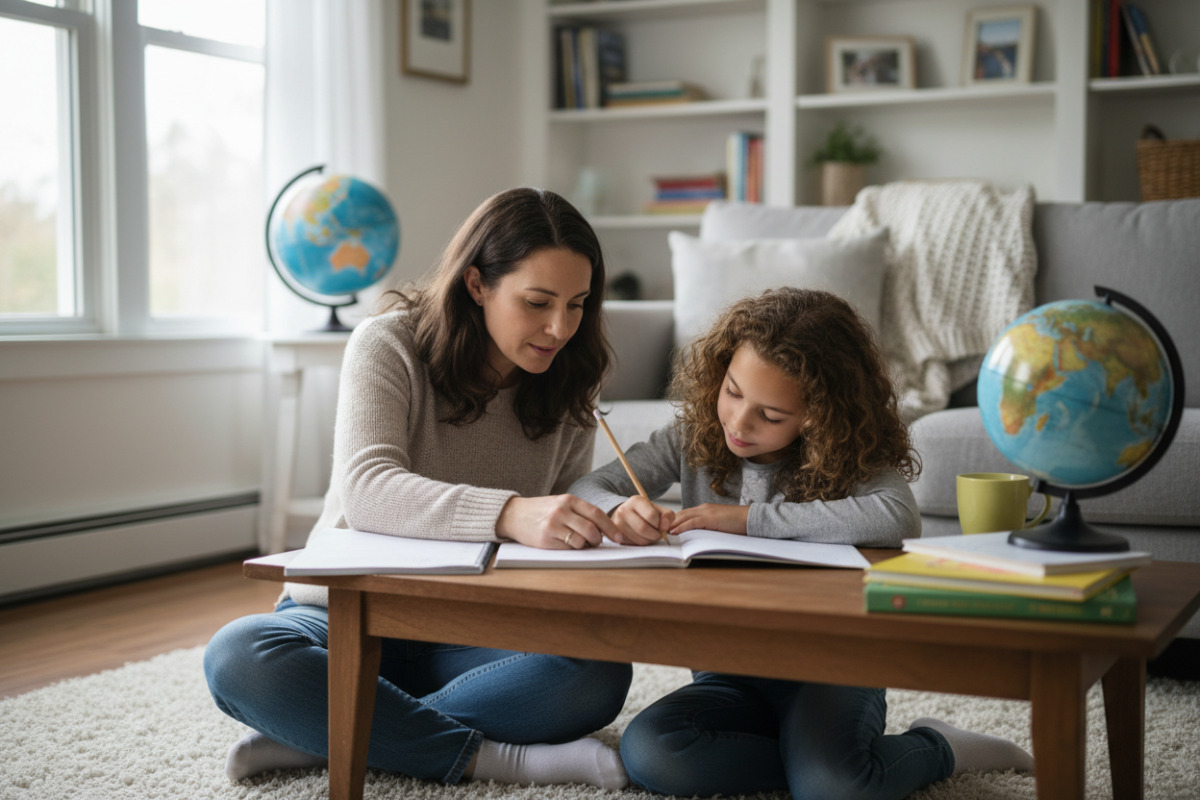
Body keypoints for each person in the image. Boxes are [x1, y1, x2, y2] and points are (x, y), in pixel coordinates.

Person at [204, 187, 632, 789]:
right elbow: (369, 491)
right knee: (239, 655)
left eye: (577, 304)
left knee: (597, 672)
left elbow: (562, 514)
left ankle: (333, 732)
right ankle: (494, 757)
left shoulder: (569, 380)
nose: (559, 327)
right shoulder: (388, 344)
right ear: (477, 284)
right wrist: (509, 513)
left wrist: (603, 515)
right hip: (347, 613)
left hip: (474, 628)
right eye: (537, 302)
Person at [571, 288, 1034, 799]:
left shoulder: (846, 451)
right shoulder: (691, 435)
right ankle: (818, 767)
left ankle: (937, 746)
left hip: (832, 669)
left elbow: (896, 514)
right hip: (731, 672)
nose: (739, 422)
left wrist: (749, 520)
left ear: (818, 415)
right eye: (732, 390)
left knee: (837, 788)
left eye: (770, 416)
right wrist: (619, 509)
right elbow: (587, 489)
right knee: (652, 753)